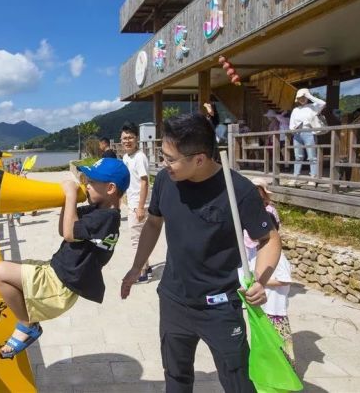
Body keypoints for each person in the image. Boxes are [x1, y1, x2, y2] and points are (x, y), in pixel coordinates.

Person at [121, 113, 282, 392]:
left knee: (238, 380)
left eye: (170, 159)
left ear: (199, 159)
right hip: (173, 299)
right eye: (163, 155)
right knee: (176, 376)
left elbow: (269, 239)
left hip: (219, 304)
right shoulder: (165, 181)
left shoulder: (238, 190)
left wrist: (260, 279)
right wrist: (137, 267)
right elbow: (154, 222)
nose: (164, 164)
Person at [0, 157, 130, 358]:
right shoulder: (97, 210)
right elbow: (63, 228)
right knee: (6, 267)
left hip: (60, 283)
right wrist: (67, 199)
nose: (86, 185)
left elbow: (69, 233)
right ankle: (26, 317)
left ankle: (26, 324)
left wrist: (71, 194)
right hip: (57, 271)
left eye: (91, 182)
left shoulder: (107, 218)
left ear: (110, 188)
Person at [240, 178, 295, 368]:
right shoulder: (255, 253)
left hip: (275, 312)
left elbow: (285, 279)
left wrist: (259, 282)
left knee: (280, 351)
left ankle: (285, 380)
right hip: (263, 310)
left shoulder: (278, 258)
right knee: (265, 350)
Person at [121, 122, 152, 283]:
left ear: (137, 139)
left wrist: (140, 207)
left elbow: (144, 182)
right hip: (132, 203)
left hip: (139, 205)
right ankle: (147, 266)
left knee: (136, 241)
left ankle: (142, 273)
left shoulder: (140, 157)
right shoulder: (126, 157)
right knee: (140, 238)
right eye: (124, 138)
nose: (127, 141)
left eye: (130, 137)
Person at [289, 88, 326, 186]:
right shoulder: (295, 110)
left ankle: (313, 178)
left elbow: (323, 103)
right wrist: (293, 130)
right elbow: (291, 124)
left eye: (303, 97)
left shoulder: (313, 106)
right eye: (300, 97)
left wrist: (309, 95)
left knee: (312, 157)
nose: (302, 99)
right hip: (297, 134)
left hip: (309, 132)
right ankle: (295, 178)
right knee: (298, 157)